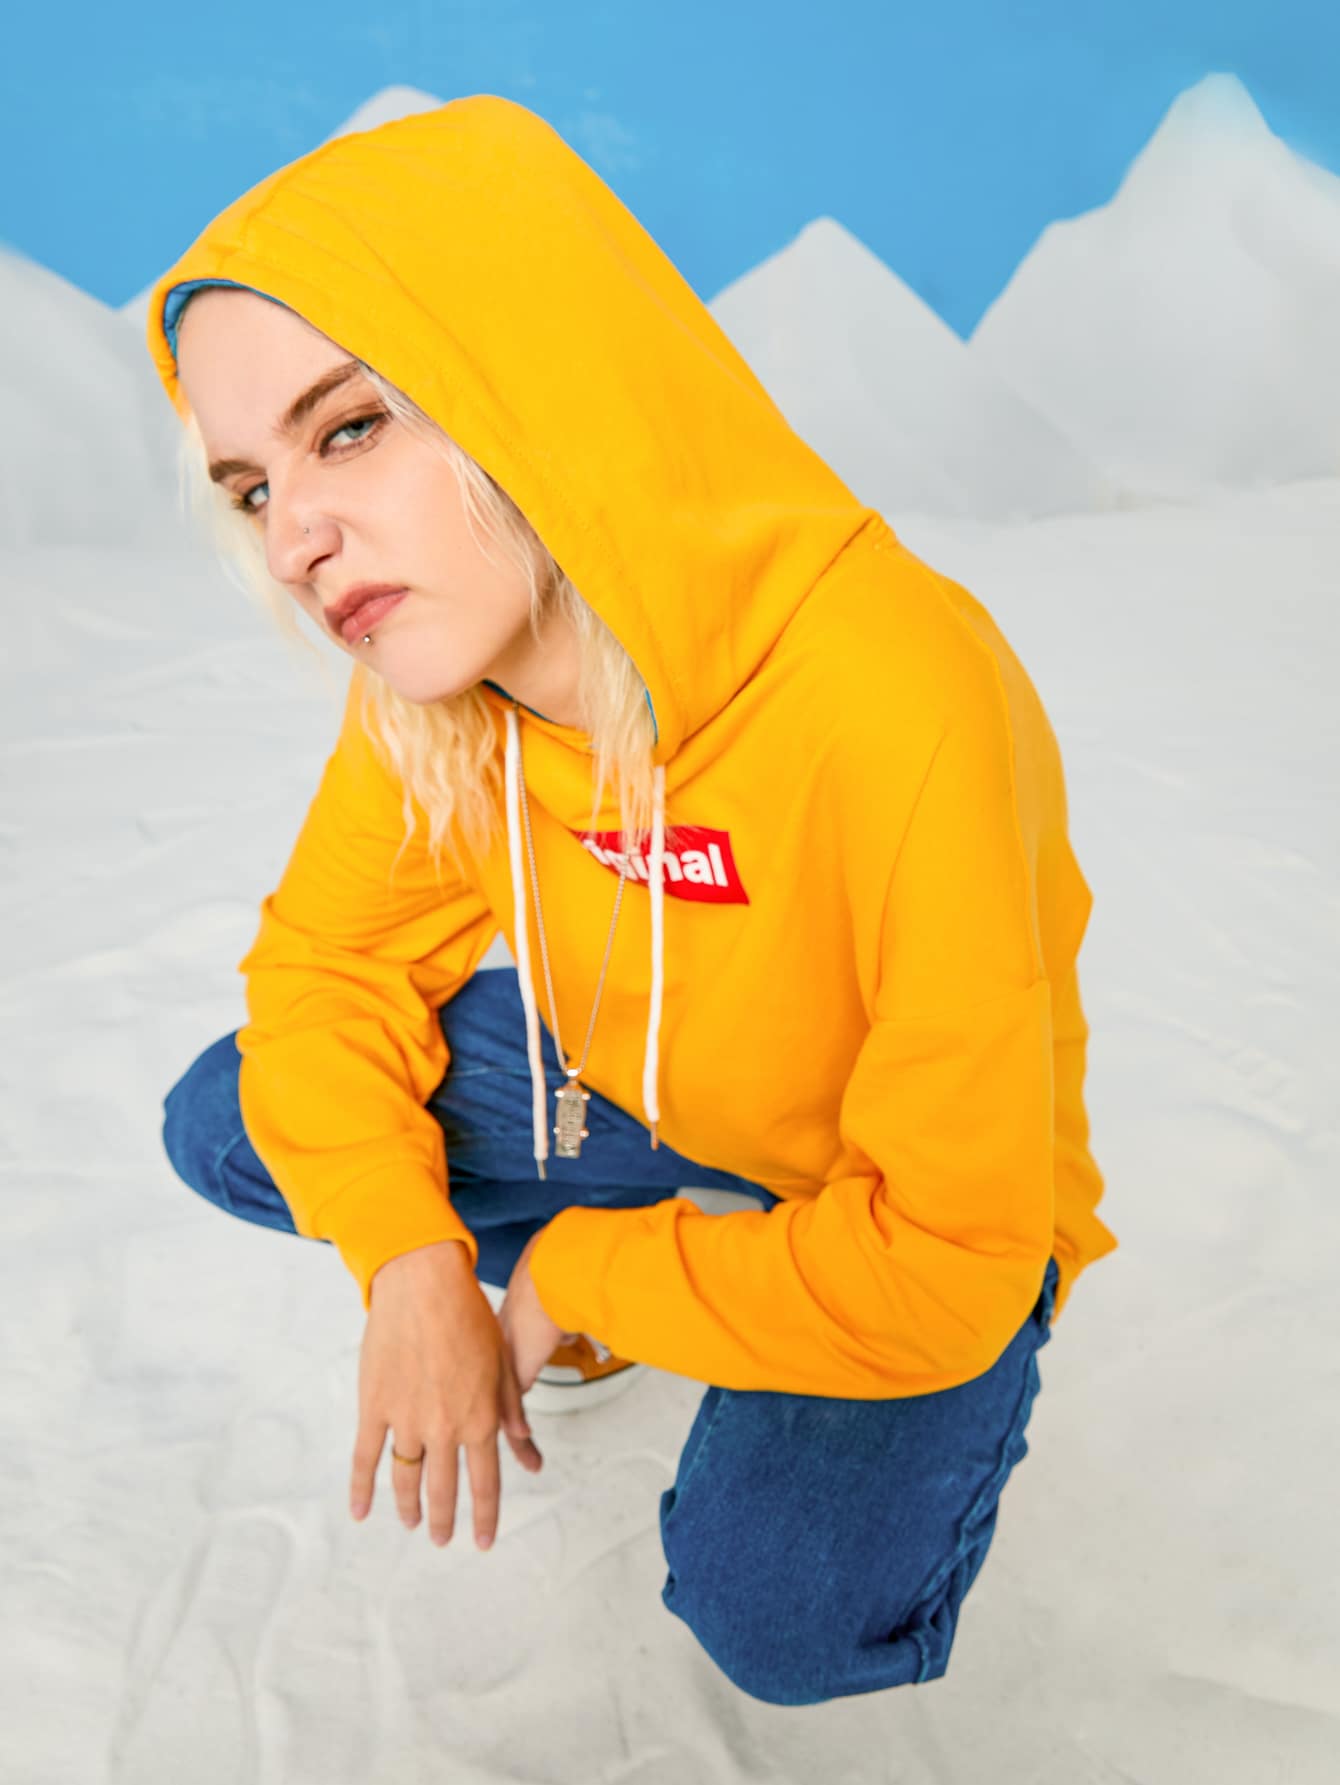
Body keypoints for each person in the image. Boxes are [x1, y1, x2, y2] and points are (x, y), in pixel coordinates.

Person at [152, 94, 1118, 1707]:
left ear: (525, 368)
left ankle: (712, 1279)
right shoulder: (434, 689)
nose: (299, 537)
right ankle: (678, 1237)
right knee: (234, 1112)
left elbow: (953, 1246)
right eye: (251, 487)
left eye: (350, 427)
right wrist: (408, 1259)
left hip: (903, 1199)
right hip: (645, 1096)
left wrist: (580, 1274)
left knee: (780, 1610)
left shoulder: (901, 690)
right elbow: (322, 968)